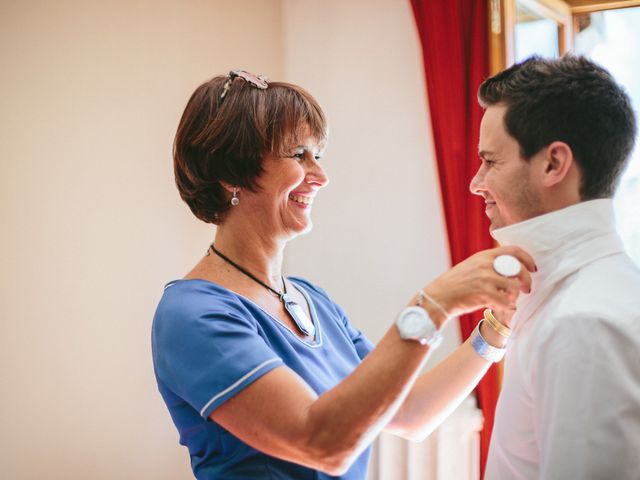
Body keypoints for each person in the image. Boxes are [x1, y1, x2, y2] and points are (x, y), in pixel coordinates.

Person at [151, 69, 535, 480]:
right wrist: (434, 304)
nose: (320, 176)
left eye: (318, 155)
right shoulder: (192, 314)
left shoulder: (312, 301)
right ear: (232, 173)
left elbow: (408, 413)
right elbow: (321, 443)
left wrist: (496, 328)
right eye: (299, 155)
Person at [470, 55, 640, 479]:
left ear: (553, 164)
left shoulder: (584, 323)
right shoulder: (584, 294)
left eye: (490, 161)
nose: (476, 183)